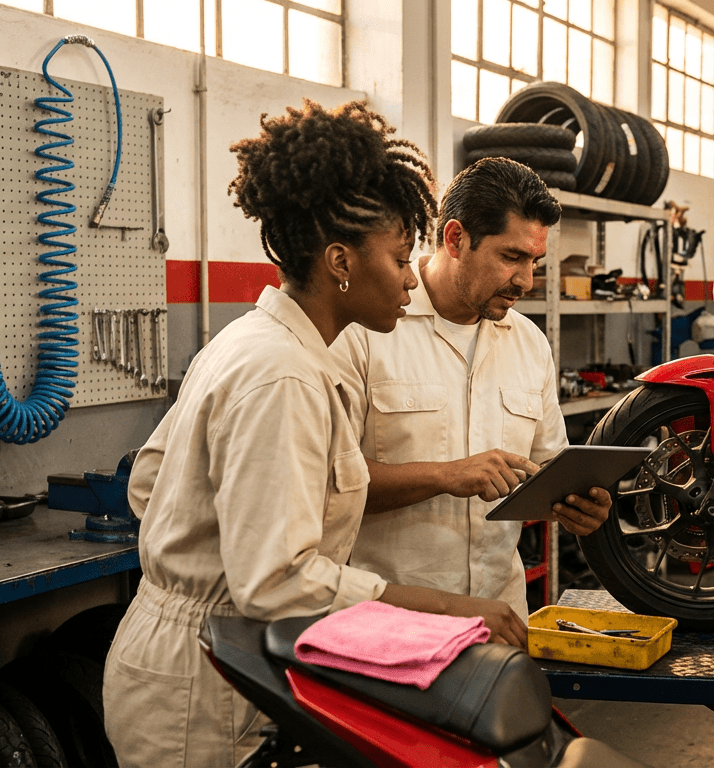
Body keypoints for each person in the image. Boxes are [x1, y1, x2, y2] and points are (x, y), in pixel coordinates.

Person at [103, 101, 526, 768]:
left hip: (212, 649)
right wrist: (448, 609)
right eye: (396, 256)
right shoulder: (284, 375)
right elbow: (276, 583)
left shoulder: (261, 343)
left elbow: (151, 487)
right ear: (340, 262)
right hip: (202, 685)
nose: (411, 275)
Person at [331, 157, 611, 621]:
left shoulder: (528, 343)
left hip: (500, 617)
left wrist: (578, 504)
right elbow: (328, 486)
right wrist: (446, 475)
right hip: (387, 625)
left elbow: (548, 467)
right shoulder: (364, 331)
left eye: (534, 261)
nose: (526, 280)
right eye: (512, 257)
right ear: (456, 238)